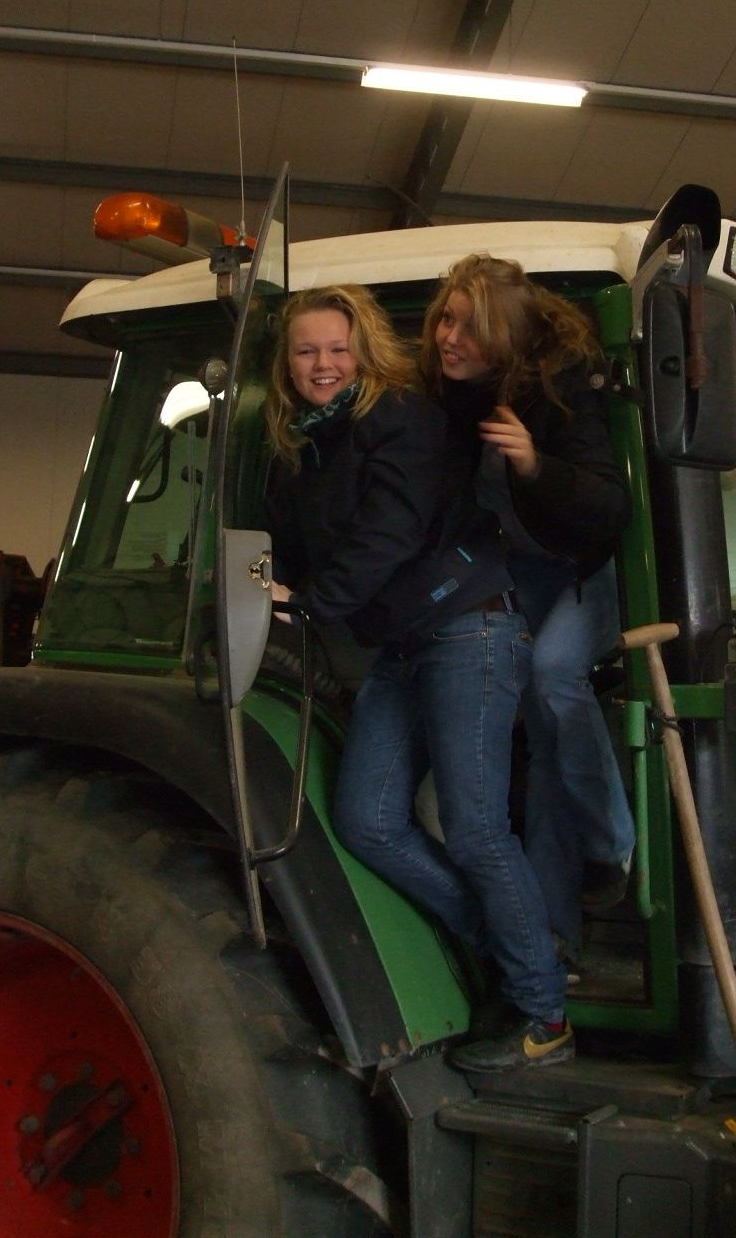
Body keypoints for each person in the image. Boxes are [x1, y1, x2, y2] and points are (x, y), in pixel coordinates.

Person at [262, 284, 571, 1071]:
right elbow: (302, 549)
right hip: (404, 644)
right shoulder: (305, 445)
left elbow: (388, 533)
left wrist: (309, 605)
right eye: (307, 351)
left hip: (469, 627)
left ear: (363, 350)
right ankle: (503, 947)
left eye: (338, 348)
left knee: (474, 827)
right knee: (365, 820)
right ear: (287, 364)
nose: (324, 364)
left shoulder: (400, 419)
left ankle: (544, 1014)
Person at [420, 255, 634, 972]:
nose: (450, 337)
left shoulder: (561, 390)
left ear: (506, 336)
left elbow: (609, 509)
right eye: (446, 318)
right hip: (513, 576)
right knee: (539, 750)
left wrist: (535, 462)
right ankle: (554, 937)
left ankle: (611, 846)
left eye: (470, 328)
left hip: (581, 571)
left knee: (553, 677)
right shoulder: (447, 399)